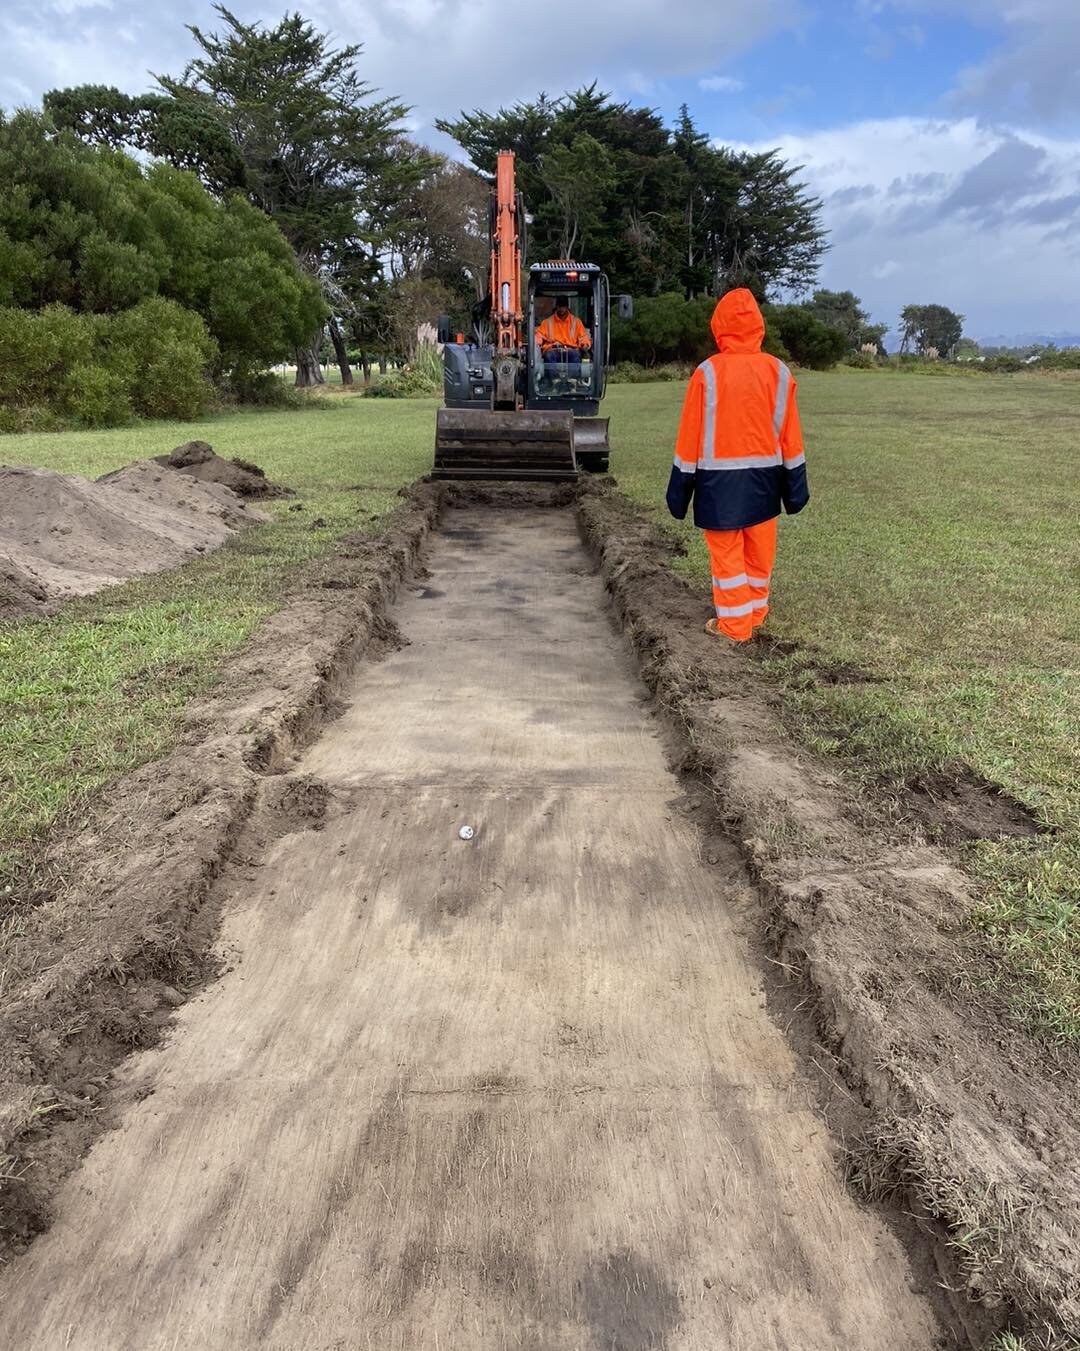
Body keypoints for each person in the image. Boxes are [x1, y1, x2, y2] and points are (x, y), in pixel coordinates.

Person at [666, 288, 808, 641]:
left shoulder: (707, 373)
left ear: (719, 327)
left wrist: (679, 492)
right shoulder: (779, 371)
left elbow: (689, 439)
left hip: (719, 486)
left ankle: (734, 626)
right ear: (758, 326)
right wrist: (796, 489)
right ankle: (756, 612)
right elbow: (791, 437)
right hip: (765, 484)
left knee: (728, 558)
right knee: (759, 553)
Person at [536, 296, 591, 375]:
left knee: (576, 356)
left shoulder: (576, 322)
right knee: (549, 356)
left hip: (571, 350)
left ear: (567, 307)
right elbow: (539, 335)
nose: (561, 309)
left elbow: (583, 337)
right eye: (559, 306)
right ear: (556, 307)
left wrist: (585, 344)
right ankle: (553, 380)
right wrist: (536, 343)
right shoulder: (547, 322)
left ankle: (572, 380)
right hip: (553, 350)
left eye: (563, 306)